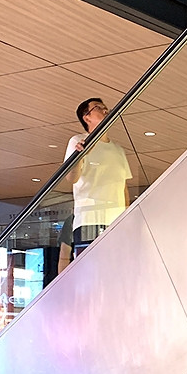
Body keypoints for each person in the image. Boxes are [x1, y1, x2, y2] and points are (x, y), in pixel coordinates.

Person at [65, 98, 131, 257]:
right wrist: (80, 156)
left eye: (105, 107)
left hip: (116, 222)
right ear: (86, 117)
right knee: (92, 267)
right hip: (89, 220)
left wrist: (128, 218)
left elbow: (123, 187)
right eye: (98, 108)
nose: (105, 110)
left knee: (117, 266)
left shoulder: (118, 150)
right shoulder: (78, 141)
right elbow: (71, 178)